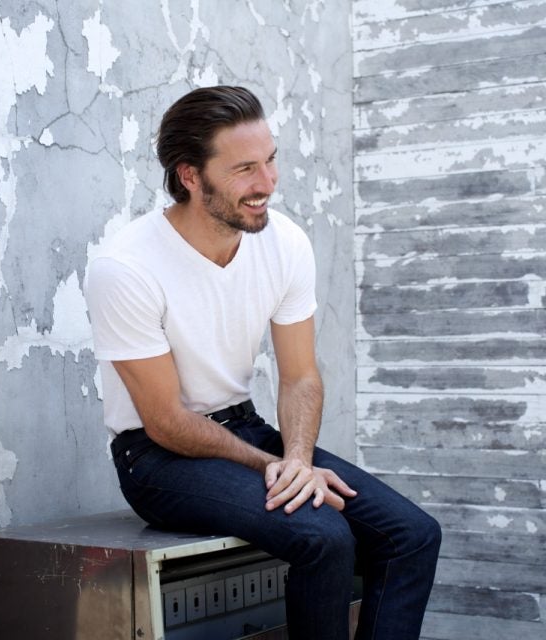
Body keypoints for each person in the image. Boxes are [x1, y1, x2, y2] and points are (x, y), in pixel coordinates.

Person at [85, 85, 441, 640]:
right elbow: (167, 422)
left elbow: (300, 376)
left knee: (413, 535)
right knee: (324, 537)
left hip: (244, 429)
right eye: (244, 169)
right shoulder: (126, 267)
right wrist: (270, 464)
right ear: (190, 175)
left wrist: (296, 460)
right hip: (156, 458)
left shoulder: (284, 243)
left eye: (270, 160)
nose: (267, 183)